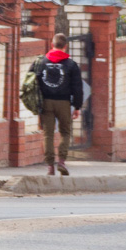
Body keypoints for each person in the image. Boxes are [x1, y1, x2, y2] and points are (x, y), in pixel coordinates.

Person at [34, 32, 83, 176]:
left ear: (52, 44)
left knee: (48, 134)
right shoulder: (71, 65)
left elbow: (33, 82)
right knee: (65, 132)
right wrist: (77, 106)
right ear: (65, 47)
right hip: (64, 103)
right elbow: (77, 87)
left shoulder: (41, 62)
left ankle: (50, 166)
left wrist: (36, 103)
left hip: (46, 102)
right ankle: (61, 161)